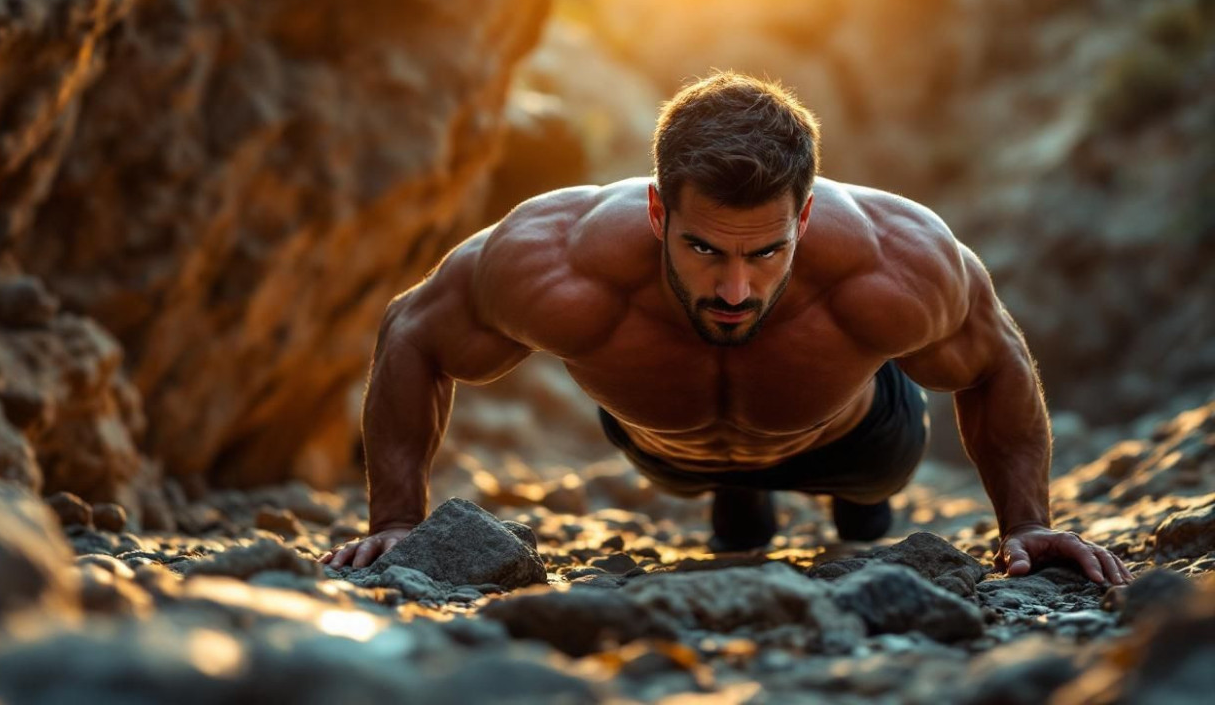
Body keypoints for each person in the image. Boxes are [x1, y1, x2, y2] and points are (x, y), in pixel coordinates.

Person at [320, 72, 1134, 587]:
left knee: (869, 508)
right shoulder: (559, 259)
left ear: (805, 218)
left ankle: (854, 516)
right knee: (724, 490)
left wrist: (1027, 525)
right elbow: (412, 333)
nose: (736, 289)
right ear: (656, 210)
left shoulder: (893, 260)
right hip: (663, 444)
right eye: (703, 248)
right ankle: (737, 501)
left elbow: (998, 359)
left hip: (855, 434)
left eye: (769, 252)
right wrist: (394, 522)